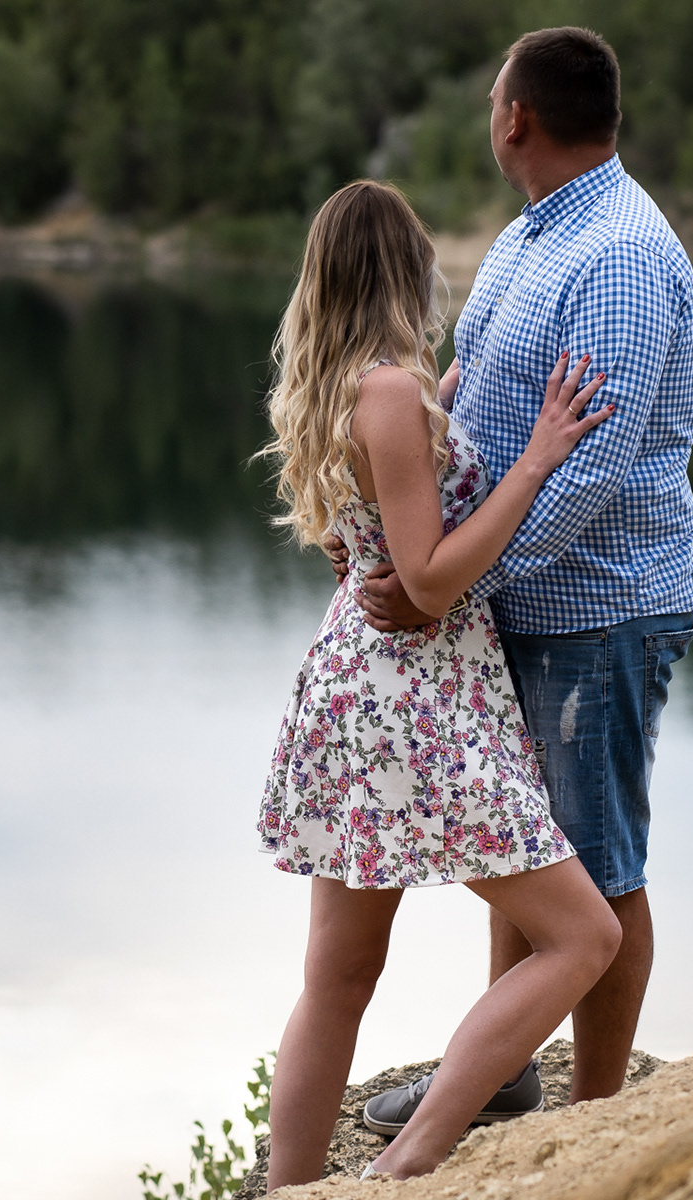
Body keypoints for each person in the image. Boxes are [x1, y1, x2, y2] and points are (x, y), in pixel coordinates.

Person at [336, 26, 693, 1132]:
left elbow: (589, 468)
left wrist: (445, 583)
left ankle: (594, 1119)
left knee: (599, 865)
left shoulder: (620, 256)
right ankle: (504, 1072)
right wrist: (387, 516)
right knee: (522, 842)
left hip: (602, 606)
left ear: (517, 118)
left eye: (490, 101)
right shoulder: (533, 235)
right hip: (515, 599)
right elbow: (468, 384)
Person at [255, 179, 624, 1187]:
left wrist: (467, 378)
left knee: (336, 977)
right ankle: (408, 1162)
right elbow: (426, 579)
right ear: (402, 271)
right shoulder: (386, 394)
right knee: (582, 934)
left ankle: (293, 1188)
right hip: (410, 704)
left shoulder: (341, 387)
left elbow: (370, 520)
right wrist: (537, 459)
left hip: (354, 686)